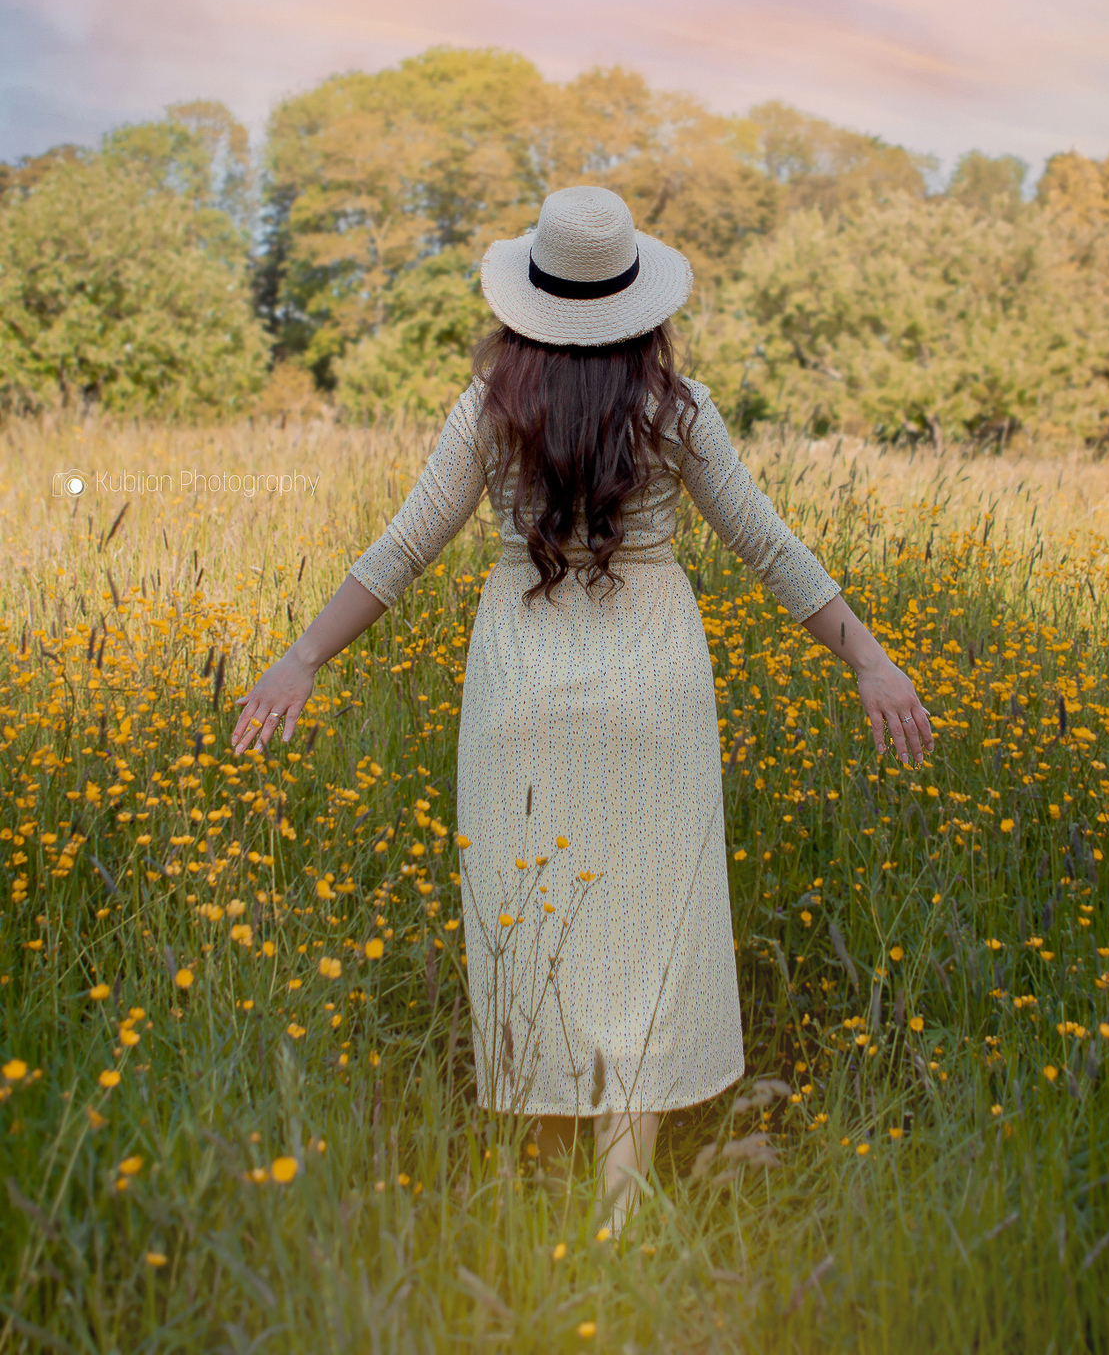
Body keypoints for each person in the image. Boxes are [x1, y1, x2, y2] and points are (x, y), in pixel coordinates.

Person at [232, 186, 933, 1236]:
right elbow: (773, 550)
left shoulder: (487, 409)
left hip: (522, 692)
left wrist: (301, 657)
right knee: (647, 934)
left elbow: (401, 550)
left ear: (527, 302)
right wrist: (872, 661)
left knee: (539, 923)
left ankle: (560, 1187)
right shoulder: (678, 413)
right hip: (653, 692)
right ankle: (617, 1203)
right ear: (639, 304)